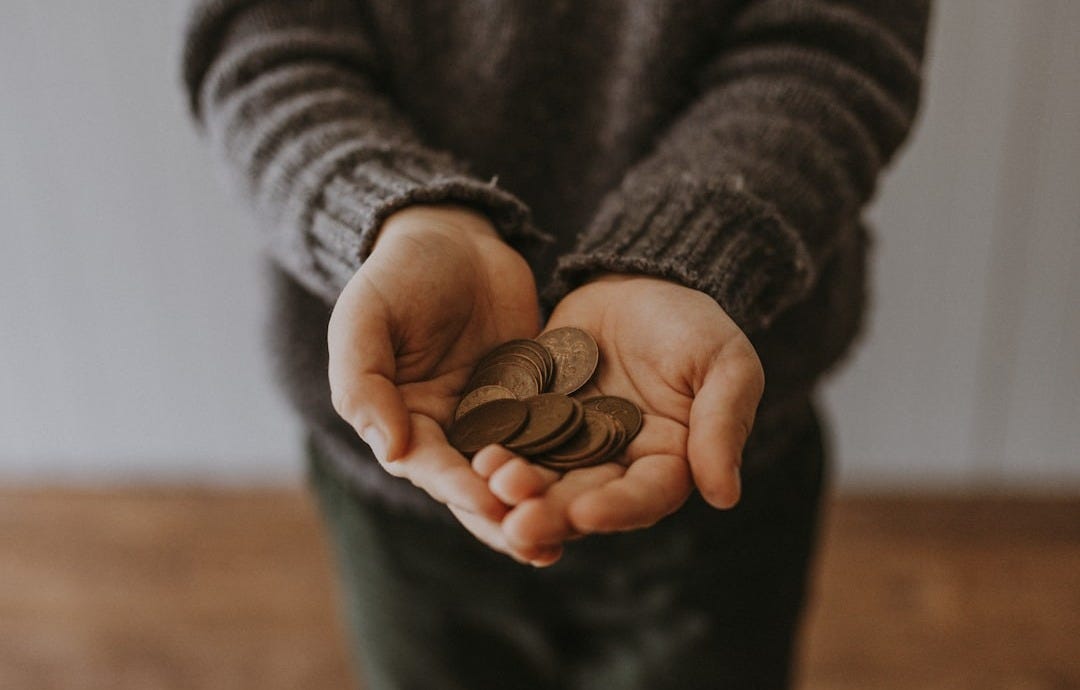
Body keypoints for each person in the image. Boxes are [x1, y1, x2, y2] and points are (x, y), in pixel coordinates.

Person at [183, 0, 930, 687]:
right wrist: (390, 215)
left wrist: (692, 246)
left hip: (713, 447)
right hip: (404, 472)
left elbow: (831, 44)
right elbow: (259, 44)